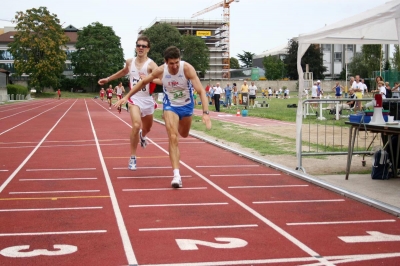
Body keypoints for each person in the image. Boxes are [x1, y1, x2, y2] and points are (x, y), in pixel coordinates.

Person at [113, 46, 211, 188]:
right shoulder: (160, 70)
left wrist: (205, 112)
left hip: (187, 106)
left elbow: (201, 91)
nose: (175, 66)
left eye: (177, 62)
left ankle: (171, 127)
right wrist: (127, 96)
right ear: (166, 62)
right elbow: (143, 82)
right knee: (172, 137)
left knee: (183, 134)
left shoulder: (187, 68)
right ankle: (176, 175)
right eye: (171, 63)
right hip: (170, 106)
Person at [98, 36, 159, 171]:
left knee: (147, 128)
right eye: (138, 45)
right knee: (136, 125)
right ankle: (133, 157)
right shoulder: (130, 62)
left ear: (148, 49)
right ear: (136, 47)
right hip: (133, 99)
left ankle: (143, 136)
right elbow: (123, 72)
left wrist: (149, 79)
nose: (141, 48)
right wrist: (108, 79)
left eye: (144, 46)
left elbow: (162, 80)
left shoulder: (151, 65)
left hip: (147, 100)